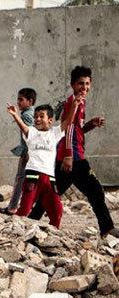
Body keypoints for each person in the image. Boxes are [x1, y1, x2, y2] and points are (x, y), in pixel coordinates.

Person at [29, 66, 118, 237]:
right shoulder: (73, 102)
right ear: (72, 85)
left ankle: (31, 221)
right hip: (74, 158)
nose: (84, 87)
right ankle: (107, 228)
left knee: (52, 193)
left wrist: (91, 124)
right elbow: (68, 128)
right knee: (95, 191)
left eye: (87, 83)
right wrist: (69, 155)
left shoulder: (80, 102)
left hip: (69, 157)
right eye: (80, 84)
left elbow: (77, 130)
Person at [8, 103, 71, 228]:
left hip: (50, 179)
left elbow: (68, 122)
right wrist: (15, 115)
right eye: (36, 116)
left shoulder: (54, 133)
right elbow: (24, 127)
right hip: (33, 176)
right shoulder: (32, 133)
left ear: (50, 120)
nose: (37, 119)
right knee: (25, 209)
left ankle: (53, 232)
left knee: (57, 210)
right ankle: (12, 229)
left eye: (41, 116)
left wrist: (74, 105)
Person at [0, 87, 36, 215]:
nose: (18, 102)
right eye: (18, 99)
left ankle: (13, 207)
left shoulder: (26, 115)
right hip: (33, 153)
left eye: (21, 99)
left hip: (27, 153)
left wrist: (27, 153)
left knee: (20, 179)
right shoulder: (34, 113)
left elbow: (29, 135)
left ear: (30, 101)